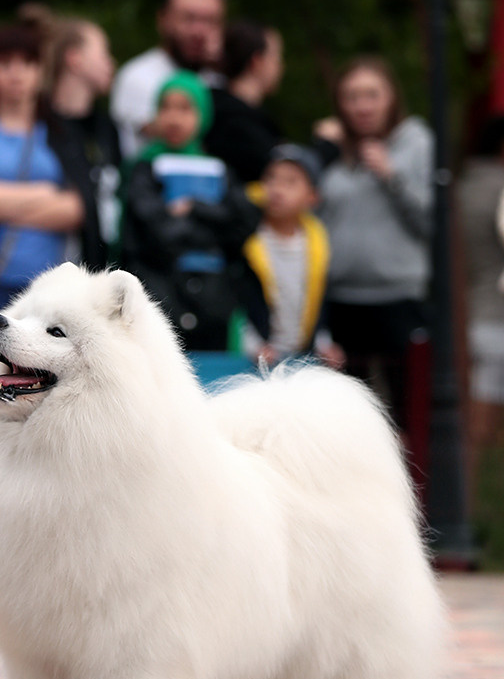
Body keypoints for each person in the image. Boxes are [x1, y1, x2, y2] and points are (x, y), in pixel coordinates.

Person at [0, 22, 102, 317]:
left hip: (46, 285)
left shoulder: (62, 134)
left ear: (41, 71)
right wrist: (43, 194)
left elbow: (76, 209)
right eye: (5, 64)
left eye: (27, 63)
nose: (16, 74)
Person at [316, 56, 433, 434]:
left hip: (398, 297)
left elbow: (431, 221)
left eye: (371, 95)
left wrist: (391, 175)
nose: (362, 106)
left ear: (391, 98)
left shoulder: (415, 142)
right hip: (340, 301)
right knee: (346, 417)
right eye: (352, 97)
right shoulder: (335, 152)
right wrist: (322, 149)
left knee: (408, 413)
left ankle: (414, 475)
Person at [119, 72, 259, 351]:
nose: (173, 118)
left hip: (215, 303)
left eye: (185, 108)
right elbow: (154, 230)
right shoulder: (143, 168)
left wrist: (193, 208)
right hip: (160, 301)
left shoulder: (219, 170)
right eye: (166, 107)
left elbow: (243, 225)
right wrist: (211, 224)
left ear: (203, 114)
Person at [21, 3, 122, 255]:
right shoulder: (37, 125)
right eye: (103, 53)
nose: (111, 63)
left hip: (99, 263)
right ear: (74, 59)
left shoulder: (107, 127)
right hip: (48, 261)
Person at [241, 144, 345, 367]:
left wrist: (323, 344)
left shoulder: (318, 244)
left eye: (291, 182)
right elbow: (238, 302)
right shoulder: (246, 237)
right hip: (254, 360)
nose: (277, 189)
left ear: (312, 196)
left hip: (300, 359)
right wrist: (253, 345)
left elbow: (317, 303)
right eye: (271, 178)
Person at [109, 0, 225, 158]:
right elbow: (178, 138)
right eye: (189, 18)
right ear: (162, 19)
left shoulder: (219, 79)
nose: (199, 31)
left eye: (210, 21)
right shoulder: (137, 76)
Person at [457, 116, 504, 467]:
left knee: (471, 428)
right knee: (482, 430)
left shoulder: (462, 186)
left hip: (468, 315)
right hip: (496, 317)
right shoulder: (500, 187)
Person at [204, 20, 285, 184]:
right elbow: (281, 176)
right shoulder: (239, 126)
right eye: (277, 57)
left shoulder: (210, 109)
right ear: (257, 61)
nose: (282, 66)